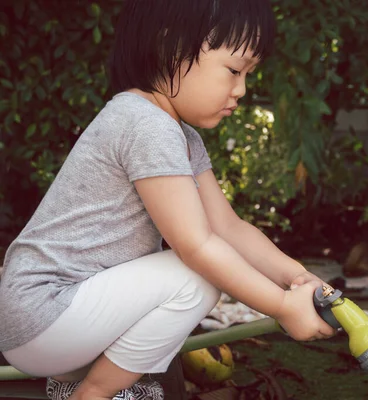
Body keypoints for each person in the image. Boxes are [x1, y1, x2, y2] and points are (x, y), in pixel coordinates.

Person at [0, 1, 336, 399]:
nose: (242, 89)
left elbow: (228, 228)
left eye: (249, 74)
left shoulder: (179, 136)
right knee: (197, 273)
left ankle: (89, 385)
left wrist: (300, 279)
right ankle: (92, 395)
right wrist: (281, 306)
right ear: (171, 48)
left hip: (59, 319)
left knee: (203, 262)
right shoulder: (145, 124)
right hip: (45, 313)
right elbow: (197, 245)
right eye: (233, 70)